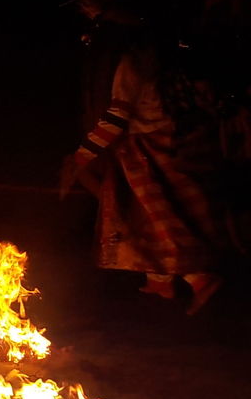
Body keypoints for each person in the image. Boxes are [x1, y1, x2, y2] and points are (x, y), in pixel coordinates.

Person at [62, 39, 225, 314]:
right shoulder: (158, 50)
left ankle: (198, 278)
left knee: (158, 218)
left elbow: (117, 115)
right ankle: (161, 280)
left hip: (149, 145)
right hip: (165, 139)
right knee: (146, 218)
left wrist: (82, 156)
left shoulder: (134, 59)